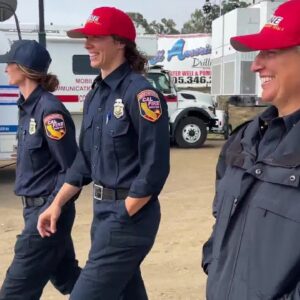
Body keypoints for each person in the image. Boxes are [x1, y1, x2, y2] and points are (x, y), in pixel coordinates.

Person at [37, 7, 170, 300]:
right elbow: (84, 161)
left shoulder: (142, 95)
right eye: (86, 37)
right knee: (126, 293)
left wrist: (125, 212)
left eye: (95, 37)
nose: (87, 44)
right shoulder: (96, 94)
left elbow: (154, 168)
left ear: (120, 42)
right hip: (103, 214)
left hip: (129, 218)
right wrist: (55, 203)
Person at [202, 0, 300, 299]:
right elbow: (222, 223)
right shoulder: (244, 139)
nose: (256, 64)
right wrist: (214, 264)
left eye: (270, 52)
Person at [0, 40, 81, 300]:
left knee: (15, 292)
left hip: (46, 214)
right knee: (70, 279)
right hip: (35, 209)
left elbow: (71, 168)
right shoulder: (27, 108)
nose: (5, 70)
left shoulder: (49, 110)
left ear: (24, 69)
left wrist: (52, 206)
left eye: (9, 64)